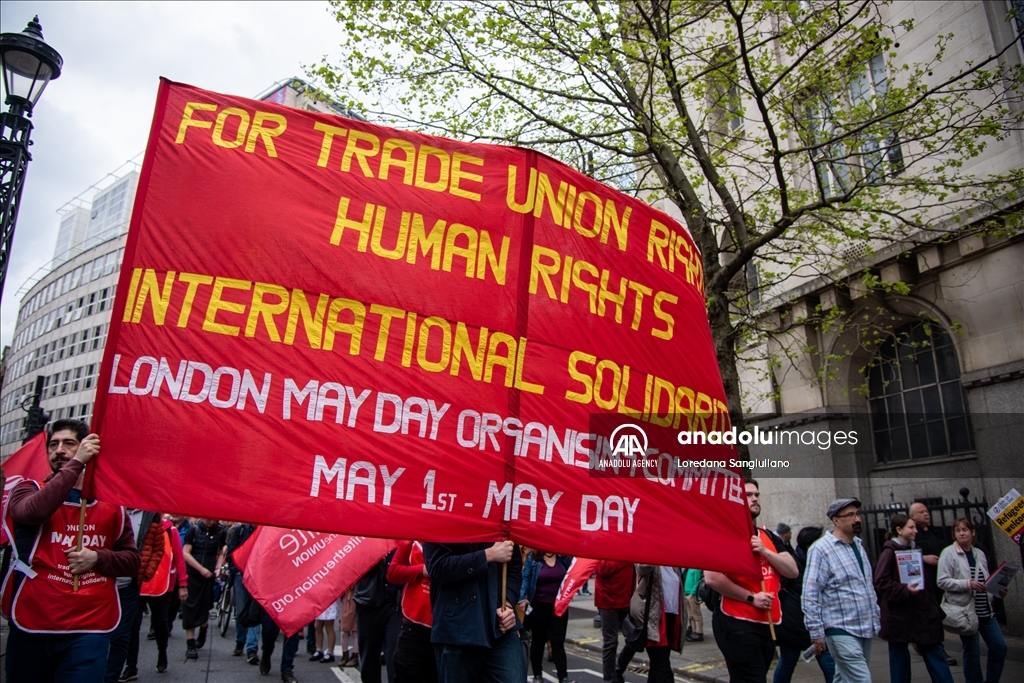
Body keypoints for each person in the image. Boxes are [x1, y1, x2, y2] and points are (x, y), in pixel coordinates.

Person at [2, 419, 141, 682]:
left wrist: (98, 558)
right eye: (53, 445)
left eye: (69, 444)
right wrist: (76, 463)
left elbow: (133, 562)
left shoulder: (112, 505)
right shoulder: (27, 491)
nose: (59, 450)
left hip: (89, 627)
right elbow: (35, 512)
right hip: (33, 622)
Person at [706, 480, 798, 683]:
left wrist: (765, 551)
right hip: (737, 623)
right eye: (747, 495)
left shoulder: (768, 536)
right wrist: (751, 598)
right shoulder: (723, 535)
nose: (754, 498)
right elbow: (712, 578)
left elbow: (792, 570)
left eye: (756, 494)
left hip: (768, 623)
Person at [423, 540, 527, 683]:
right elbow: (437, 568)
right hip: (457, 630)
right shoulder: (439, 518)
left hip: (499, 627)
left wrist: (508, 603)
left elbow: (513, 566)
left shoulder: (502, 520)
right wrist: (488, 555)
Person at [803, 498, 880, 683]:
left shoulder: (859, 546)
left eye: (858, 514)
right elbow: (810, 594)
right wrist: (816, 631)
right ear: (836, 520)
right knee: (861, 680)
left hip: (864, 626)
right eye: (850, 515)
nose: (857, 519)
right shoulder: (821, 549)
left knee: (843, 679)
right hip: (840, 629)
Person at [874, 514, 953, 683]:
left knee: (934, 652)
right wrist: (904, 590)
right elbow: (881, 582)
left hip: (922, 613)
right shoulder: (889, 553)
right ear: (899, 530)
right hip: (899, 616)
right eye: (911, 527)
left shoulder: (913, 550)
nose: (915, 531)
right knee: (899, 659)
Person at [938, 518, 1007, 683]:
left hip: (986, 611)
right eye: (958, 530)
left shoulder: (979, 554)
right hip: (966, 612)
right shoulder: (948, 553)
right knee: (972, 652)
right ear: (954, 534)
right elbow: (942, 581)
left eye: (965, 529)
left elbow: (986, 581)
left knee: (999, 647)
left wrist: (997, 590)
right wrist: (968, 584)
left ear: (973, 533)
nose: (961, 533)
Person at [124, 514, 189, 676]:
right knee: (133, 626)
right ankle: (131, 666)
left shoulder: (170, 531)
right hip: (137, 582)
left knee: (160, 624)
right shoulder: (133, 526)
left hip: (162, 583)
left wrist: (183, 584)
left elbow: (179, 559)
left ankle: (162, 654)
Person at [105, 509, 164, 683]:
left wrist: (146, 572)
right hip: (103, 580)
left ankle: (110, 678)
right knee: (98, 632)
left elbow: (158, 547)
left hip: (130, 585)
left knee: (121, 634)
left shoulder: (150, 514)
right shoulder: (111, 505)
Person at [775, 526, 834, 683]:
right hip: (794, 625)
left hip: (815, 623)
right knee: (788, 663)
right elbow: (778, 588)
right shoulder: (793, 563)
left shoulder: (820, 561)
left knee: (830, 666)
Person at [621, 565, 685, 683]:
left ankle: (617, 670)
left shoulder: (674, 564)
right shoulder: (652, 561)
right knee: (663, 670)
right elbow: (642, 568)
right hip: (655, 620)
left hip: (671, 617)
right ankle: (616, 671)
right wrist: (657, 552)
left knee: (657, 668)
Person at [518, 550, 573, 683]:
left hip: (558, 607)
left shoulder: (563, 557)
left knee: (558, 642)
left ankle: (563, 677)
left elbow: (574, 572)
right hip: (538, 606)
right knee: (538, 640)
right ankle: (537, 675)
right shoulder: (533, 558)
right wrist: (521, 598)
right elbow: (526, 577)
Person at [387, 540, 437, 683]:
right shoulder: (412, 537)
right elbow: (392, 572)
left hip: (447, 627)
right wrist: (422, 570)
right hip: (413, 627)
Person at [181, 517, 227, 660]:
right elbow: (185, 552)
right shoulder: (194, 530)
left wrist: (218, 567)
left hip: (209, 574)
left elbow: (221, 551)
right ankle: (190, 643)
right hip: (193, 573)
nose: (210, 521)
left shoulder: (220, 531)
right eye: (208, 519)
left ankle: (203, 629)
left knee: (205, 605)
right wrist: (200, 569)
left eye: (213, 519)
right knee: (190, 607)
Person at [354, 549, 402, 683]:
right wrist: (374, 558)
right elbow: (352, 563)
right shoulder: (363, 536)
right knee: (369, 658)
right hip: (368, 601)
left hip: (395, 602)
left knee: (396, 656)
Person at [594, 559, 635, 683]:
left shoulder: (629, 547)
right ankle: (609, 679)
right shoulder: (607, 546)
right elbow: (602, 568)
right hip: (608, 602)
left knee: (635, 639)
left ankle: (618, 670)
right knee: (610, 642)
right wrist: (624, 556)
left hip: (627, 599)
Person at [227, 521, 260, 663]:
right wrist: (236, 570)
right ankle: (240, 641)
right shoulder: (240, 530)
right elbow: (230, 553)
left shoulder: (265, 531)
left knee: (254, 611)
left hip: (259, 577)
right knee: (241, 610)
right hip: (241, 575)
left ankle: (252, 649)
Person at [260, 608, 302, 683]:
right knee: (268, 630)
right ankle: (266, 653)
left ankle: (286, 669)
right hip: (273, 601)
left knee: (292, 632)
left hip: (292, 601)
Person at [311, 598, 340, 663]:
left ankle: (330, 652)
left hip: (329, 599)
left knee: (329, 626)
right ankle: (319, 649)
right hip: (320, 599)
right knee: (317, 626)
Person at [682, 568, 703, 642]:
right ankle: (693, 630)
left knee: (696, 613)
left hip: (692, 594)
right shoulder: (688, 569)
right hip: (686, 593)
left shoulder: (696, 569)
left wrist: (693, 593)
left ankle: (699, 631)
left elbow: (697, 581)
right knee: (690, 615)